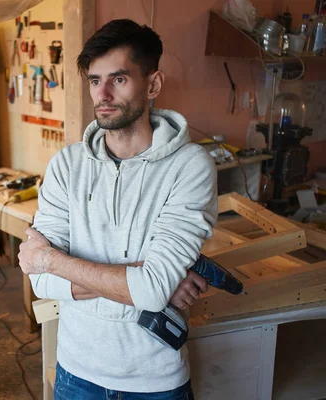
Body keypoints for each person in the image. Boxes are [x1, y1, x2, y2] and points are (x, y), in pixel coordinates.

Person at [18, 19, 218, 399]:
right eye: (95, 80)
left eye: (119, 79)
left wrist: (49, 259)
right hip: (76, 373)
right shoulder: (67, 165)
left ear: (153, 84)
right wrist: (143, 283)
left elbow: (152, 289)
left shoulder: (190, 167)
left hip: (155, 380)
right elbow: (40, 283)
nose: (103, 94)